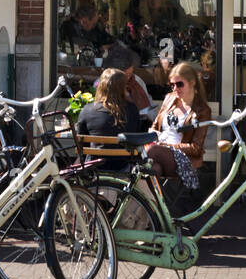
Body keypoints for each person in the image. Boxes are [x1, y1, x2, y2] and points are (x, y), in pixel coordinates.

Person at [146, 61, 209, 192]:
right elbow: (155, 125)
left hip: (182, 159)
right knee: (153, 170)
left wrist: (167, 147)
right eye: (172, 85)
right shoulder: (169, 98)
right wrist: (153, 133)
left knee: (150, 152)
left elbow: (196, 148)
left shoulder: (202, 110)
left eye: (179, 84)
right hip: (159, 152)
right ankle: (151, 209)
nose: (175, 89)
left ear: (192, 83)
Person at [76, 68, 138, 165]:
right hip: (122, 165)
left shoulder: (87, 110)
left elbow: (81, 144)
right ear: (123, 88)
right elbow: (135, 138)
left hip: (94, 166)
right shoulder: (131, 110)